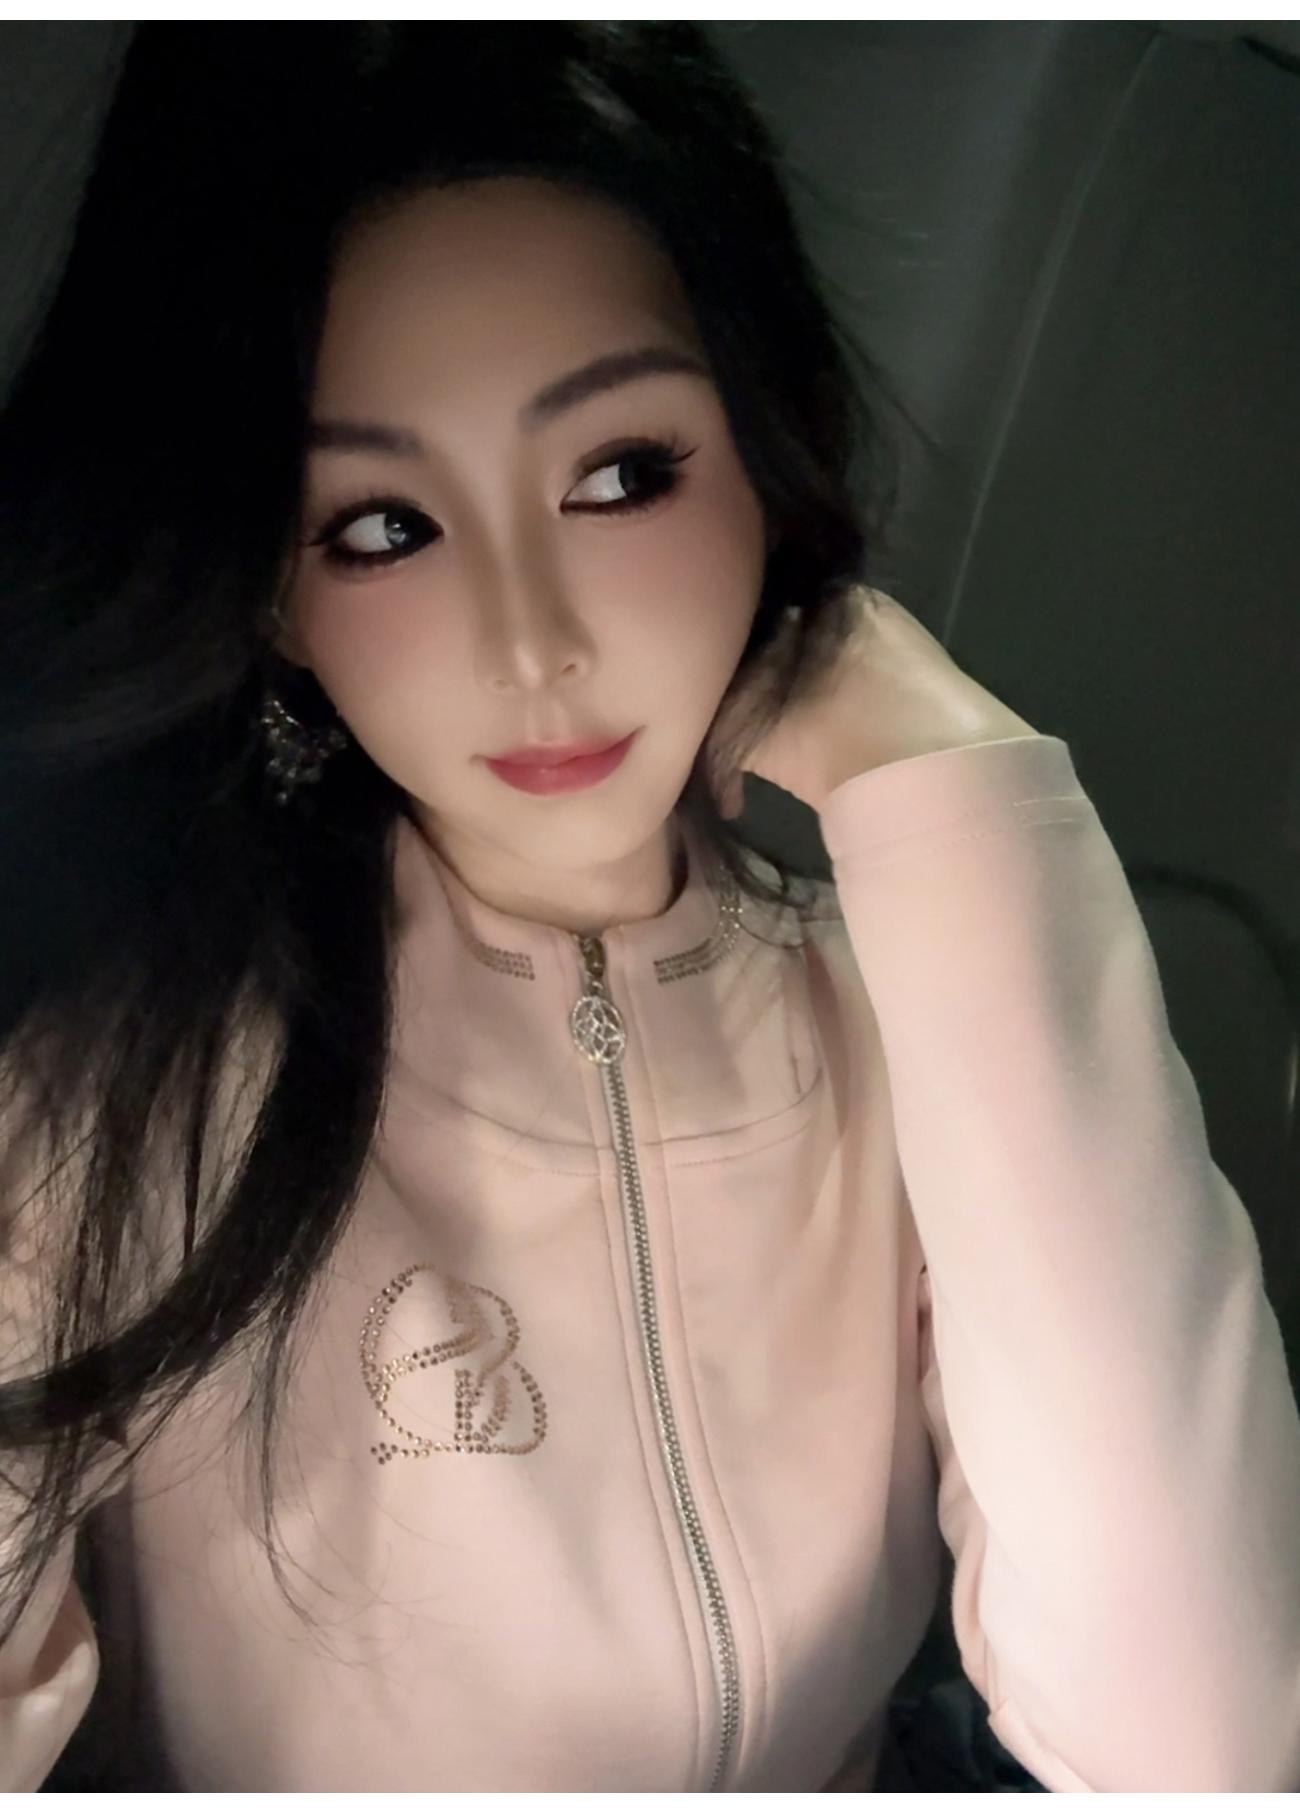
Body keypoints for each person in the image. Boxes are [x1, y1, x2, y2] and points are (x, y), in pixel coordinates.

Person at [3, 22, 1300, 1795]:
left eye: (621, 473)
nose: (532, 641)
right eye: (381, 524)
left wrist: (952, 782)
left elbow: (1202, 1749)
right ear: (269, 593)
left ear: (763, 457)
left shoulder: (913, 1009)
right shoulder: (112, 1095)